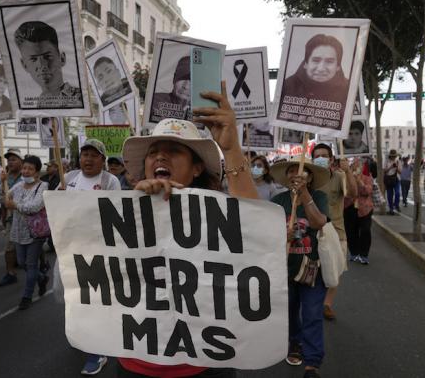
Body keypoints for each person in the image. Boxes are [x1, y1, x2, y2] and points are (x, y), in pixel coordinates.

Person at [119, 81, 259, 377]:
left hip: (204, 361)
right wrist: (136, 208)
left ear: (197, 168)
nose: (160, 156)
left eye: (173, 151)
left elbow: (256, 236)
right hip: (136, 362)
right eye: (154, 151)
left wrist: (231, 149)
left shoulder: (218, 212)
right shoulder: (120, 212)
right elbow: (77, 279)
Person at [63, 139, 120, 375]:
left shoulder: (110, 181)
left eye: (93, 155)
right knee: (75, 299)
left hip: (100, 250)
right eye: (84, 154)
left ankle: (97, 351)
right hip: (72, 248)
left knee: (96, 299)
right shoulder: (69, 179)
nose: (87, 159)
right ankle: (84, 337)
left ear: (103, 160)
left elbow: (115, 213)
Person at [270, 157, 329, 378]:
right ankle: (295, 342)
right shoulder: (278, 201)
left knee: (313, 313)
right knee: (290, 311)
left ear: (311, 177)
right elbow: (267, 233)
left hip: (313, 268)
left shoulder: (319, 197)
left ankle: (312, 363)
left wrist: (304, 196)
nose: (297, 174)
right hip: (285, 267)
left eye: (302, 171)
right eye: (292, 170)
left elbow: (318, 222)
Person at [311, 143, 357, 321]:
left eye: (324, 155)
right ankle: (313, 301)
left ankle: (327, 304)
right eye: (317, 156)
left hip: (337, 232)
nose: (320, 158)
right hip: (314, 231)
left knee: (334, 271)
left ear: (331, 159)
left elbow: (353, 193)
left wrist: (348, 172)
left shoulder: (339, 177)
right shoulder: (310, 178)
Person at [3, 155, 50, 310]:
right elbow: (5, 197)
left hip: (35, 232)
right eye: (24, 168)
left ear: (37, 172)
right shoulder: (18, 186)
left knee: (30, 265)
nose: (26, 171)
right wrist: (3, 181)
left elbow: (34, 207)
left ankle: (27, 296)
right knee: (22, 263)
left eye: (30, 169)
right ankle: (42, 278)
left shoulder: (43, 186)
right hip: (18, 230)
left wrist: (14, 205)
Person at [14, 21, 82, 105]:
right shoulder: (37, 104)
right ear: (24, 65)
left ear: (62, 58)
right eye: (33, 59)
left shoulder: (80, 99)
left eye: (47, 57)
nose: (42, 65)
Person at [282, 34, 350, 106]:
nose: (321, 68)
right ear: (306, 63)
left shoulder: (350, 90)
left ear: (338, 66)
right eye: (316, 60)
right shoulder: (287, 87)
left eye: (329, 61)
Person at [0, 148, 23, 287]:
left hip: (26, 218)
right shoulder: (4, 177)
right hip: (10, 219)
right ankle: (10, 273)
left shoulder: (26, 176)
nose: (10, 162)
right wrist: (2, 183)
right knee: (9, 247)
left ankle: (41, 266)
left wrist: (15, 203)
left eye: (14, 159)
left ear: (21, 161)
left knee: (29, 248)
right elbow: (0, 199)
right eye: (9, 160)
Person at [345, 159, 374, 264]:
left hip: (365, 208)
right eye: (353, 165)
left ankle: (364, 254)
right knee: (351, 231)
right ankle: (354, 252)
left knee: (365, 230)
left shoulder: (367, 176)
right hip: (349, 206)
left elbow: (367, 191)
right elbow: (345, 192)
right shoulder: (346, 176)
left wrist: (359, 181)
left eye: (358, 165)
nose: (356, 167)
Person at [150, 56, 191, 123]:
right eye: (182, 79)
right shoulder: (154, 100)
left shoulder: (203, 111)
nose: (186, 86)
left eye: (193, 82)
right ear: (174, 78)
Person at [384, 149, 401, 214]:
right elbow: (384, 171)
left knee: (397, 193)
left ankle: (396, 205)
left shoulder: (398, 162)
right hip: (389, 179)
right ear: (390, 156)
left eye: (394, 156)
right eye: (392, 156)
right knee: (389, 195)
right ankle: (391, 208)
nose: (393, 157)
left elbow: (400, 172)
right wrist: (391, 167)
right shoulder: (386, 161)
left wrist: (396, 167)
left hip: (396, 179)